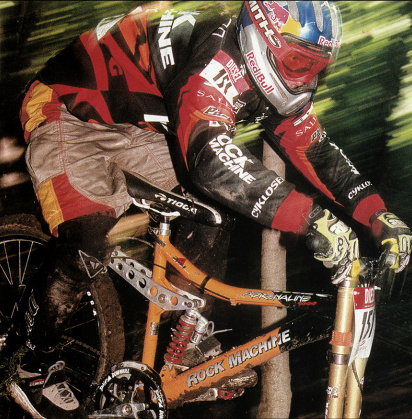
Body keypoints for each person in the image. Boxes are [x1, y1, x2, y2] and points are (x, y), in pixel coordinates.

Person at [6, 1, 411, 418]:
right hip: (68, 110)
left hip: (142, 128)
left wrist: (379, 216)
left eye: (317, 67)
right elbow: (211, 159)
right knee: (86, 242)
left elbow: (317, 152)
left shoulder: (261, 64)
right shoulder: (213, 61)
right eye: (297, 62)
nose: (306, 79)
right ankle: (29, 361)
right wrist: (310, 220)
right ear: (261, 39)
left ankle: (186, 335)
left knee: (218, 205)